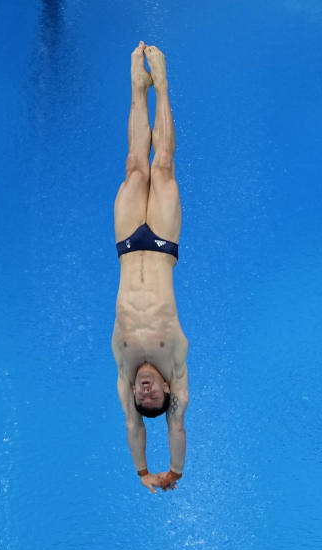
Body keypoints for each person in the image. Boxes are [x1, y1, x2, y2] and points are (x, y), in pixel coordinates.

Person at [111, 42, 189, 493]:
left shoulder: (124, 369)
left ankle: (138, 91)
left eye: (143, 399)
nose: (144, 394)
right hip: (161, 245)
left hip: (125, 245)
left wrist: (141, 471)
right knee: (162, 167)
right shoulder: (174, 364)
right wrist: (172, 471)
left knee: (134, 167)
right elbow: (173, 428)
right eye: (152, 396)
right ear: (166, 390)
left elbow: (133, 426)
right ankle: (162, 84)